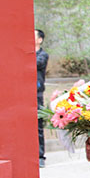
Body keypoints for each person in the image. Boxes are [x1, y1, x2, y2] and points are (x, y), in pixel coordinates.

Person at [35, 29, 49, 168]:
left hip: (37, 94)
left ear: (40, 40)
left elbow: (34, 64)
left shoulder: (42, 56)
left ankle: (40, 156)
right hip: (24, 94)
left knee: (38, 125)